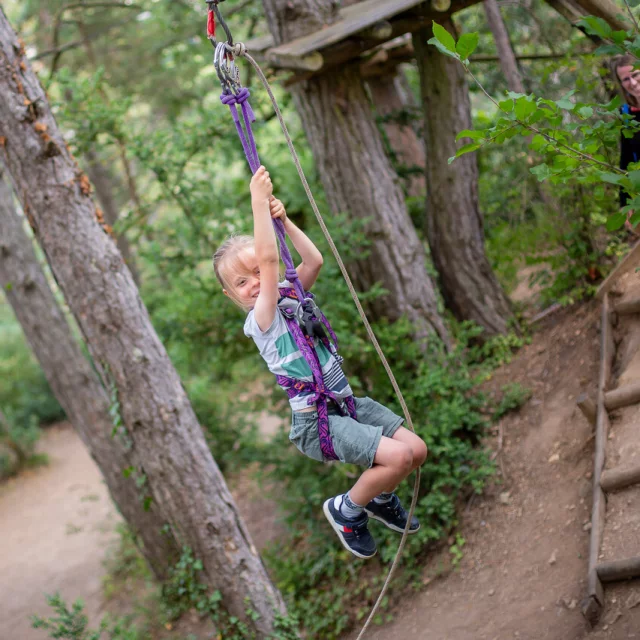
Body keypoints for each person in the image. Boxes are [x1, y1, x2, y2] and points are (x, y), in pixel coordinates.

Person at [213, 166, 427, 559]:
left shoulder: (290, 297)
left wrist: (284, 221)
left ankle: (377, 499)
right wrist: (257, 203)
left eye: (257, 273)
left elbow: (313, 261)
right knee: (397, 456)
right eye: (242, 282)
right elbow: (270, 259)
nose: (257, 281)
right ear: (233, 296)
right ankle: (346, 510)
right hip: (318, 422)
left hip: (345, 404)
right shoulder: (262, 320)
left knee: (416, 450)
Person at [612, 54, 640, 233]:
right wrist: (625, 204)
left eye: (636, 74)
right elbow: (627, 160)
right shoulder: (627, 115)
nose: (633, 83)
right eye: (626, 79)